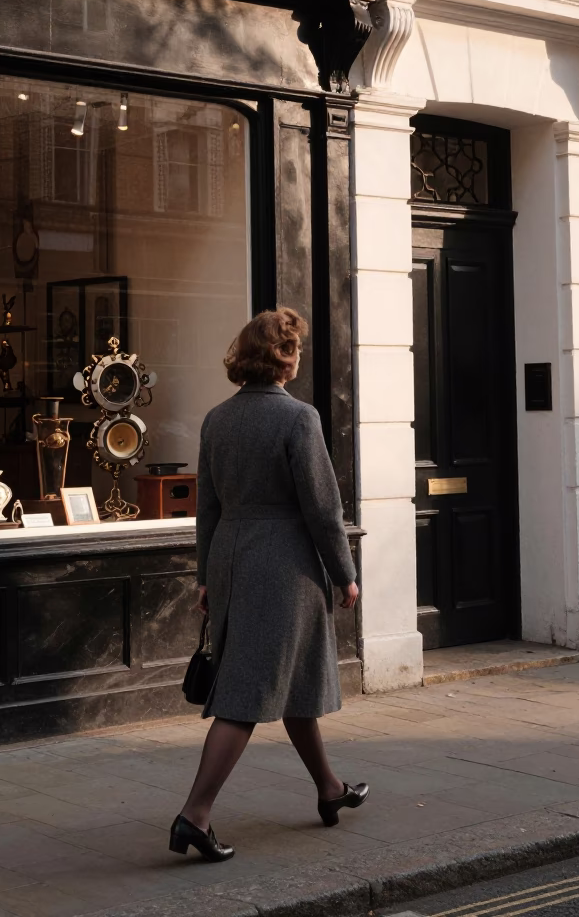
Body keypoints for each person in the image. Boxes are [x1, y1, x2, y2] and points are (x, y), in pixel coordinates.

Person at [170, 308, 368, 862]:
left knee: (287, 678)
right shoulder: (298, 419)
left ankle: (330, 789)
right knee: (248, 692)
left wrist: (207, 576)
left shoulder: (216, 419)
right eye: (294, 349)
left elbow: (206, 510)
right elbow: (323, 509)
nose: (297, 357)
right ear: (285, 358)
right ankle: (195, 815)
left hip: (234, 561)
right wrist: (345, 573)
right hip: (285, 567)